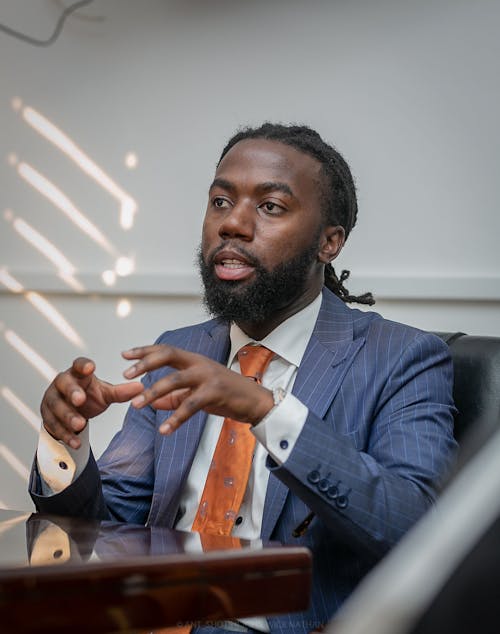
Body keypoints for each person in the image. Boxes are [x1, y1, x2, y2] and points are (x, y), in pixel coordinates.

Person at [29, 123, 457, 634]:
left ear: (330, 242)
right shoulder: (181, 350)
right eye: (220, 202)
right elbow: (109, 528)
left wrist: (265, 409)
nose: (232, 224)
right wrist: (66, 443)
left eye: (270, 206)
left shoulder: (403, 358)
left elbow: (415, 529)